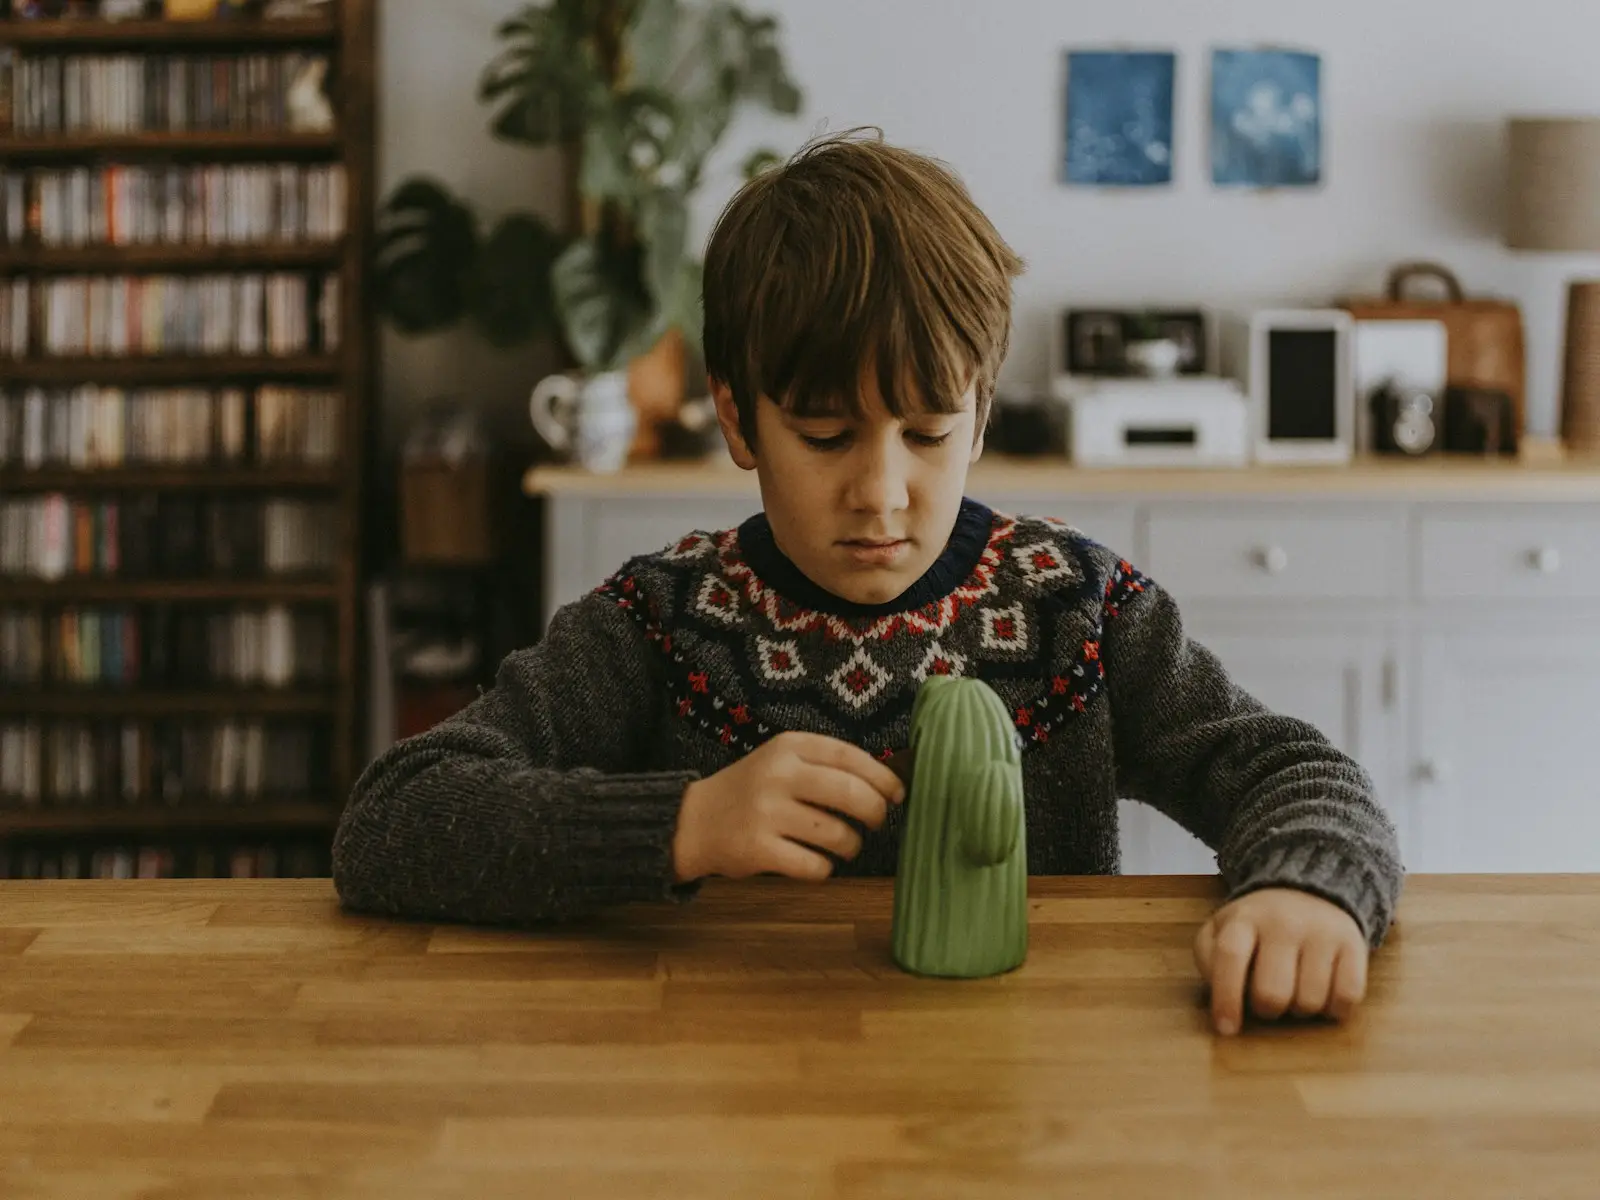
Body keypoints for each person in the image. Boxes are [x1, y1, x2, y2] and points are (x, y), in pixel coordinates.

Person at [333, 129, 1404, 1037]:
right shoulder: (659, 622)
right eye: (826, 434)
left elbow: (1290, 770)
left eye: (929, 433)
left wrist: (1306, 886)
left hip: (1017, 1094)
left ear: (980, 414)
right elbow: (393, 820)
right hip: (724, 1099)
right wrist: (685, 823)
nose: (881, 492)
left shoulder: (1076, 605)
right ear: (740, 419)